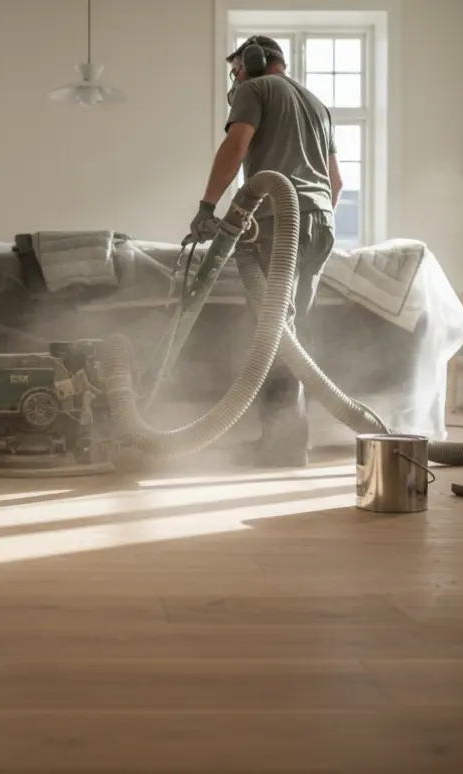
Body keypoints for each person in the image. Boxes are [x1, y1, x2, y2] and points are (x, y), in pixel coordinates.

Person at [189, 34, 343, 468]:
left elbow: (236, 147)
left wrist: (206, 207)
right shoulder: (318, 105)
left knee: (273, 329)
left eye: (236, 68)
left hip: (278, 217)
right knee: (293, 331)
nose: (235, 77)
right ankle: (292, 439)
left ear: (254, 62)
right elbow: (337, 183)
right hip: (319, 224)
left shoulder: (254, 91)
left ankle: (282, 445)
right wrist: (314, 218)